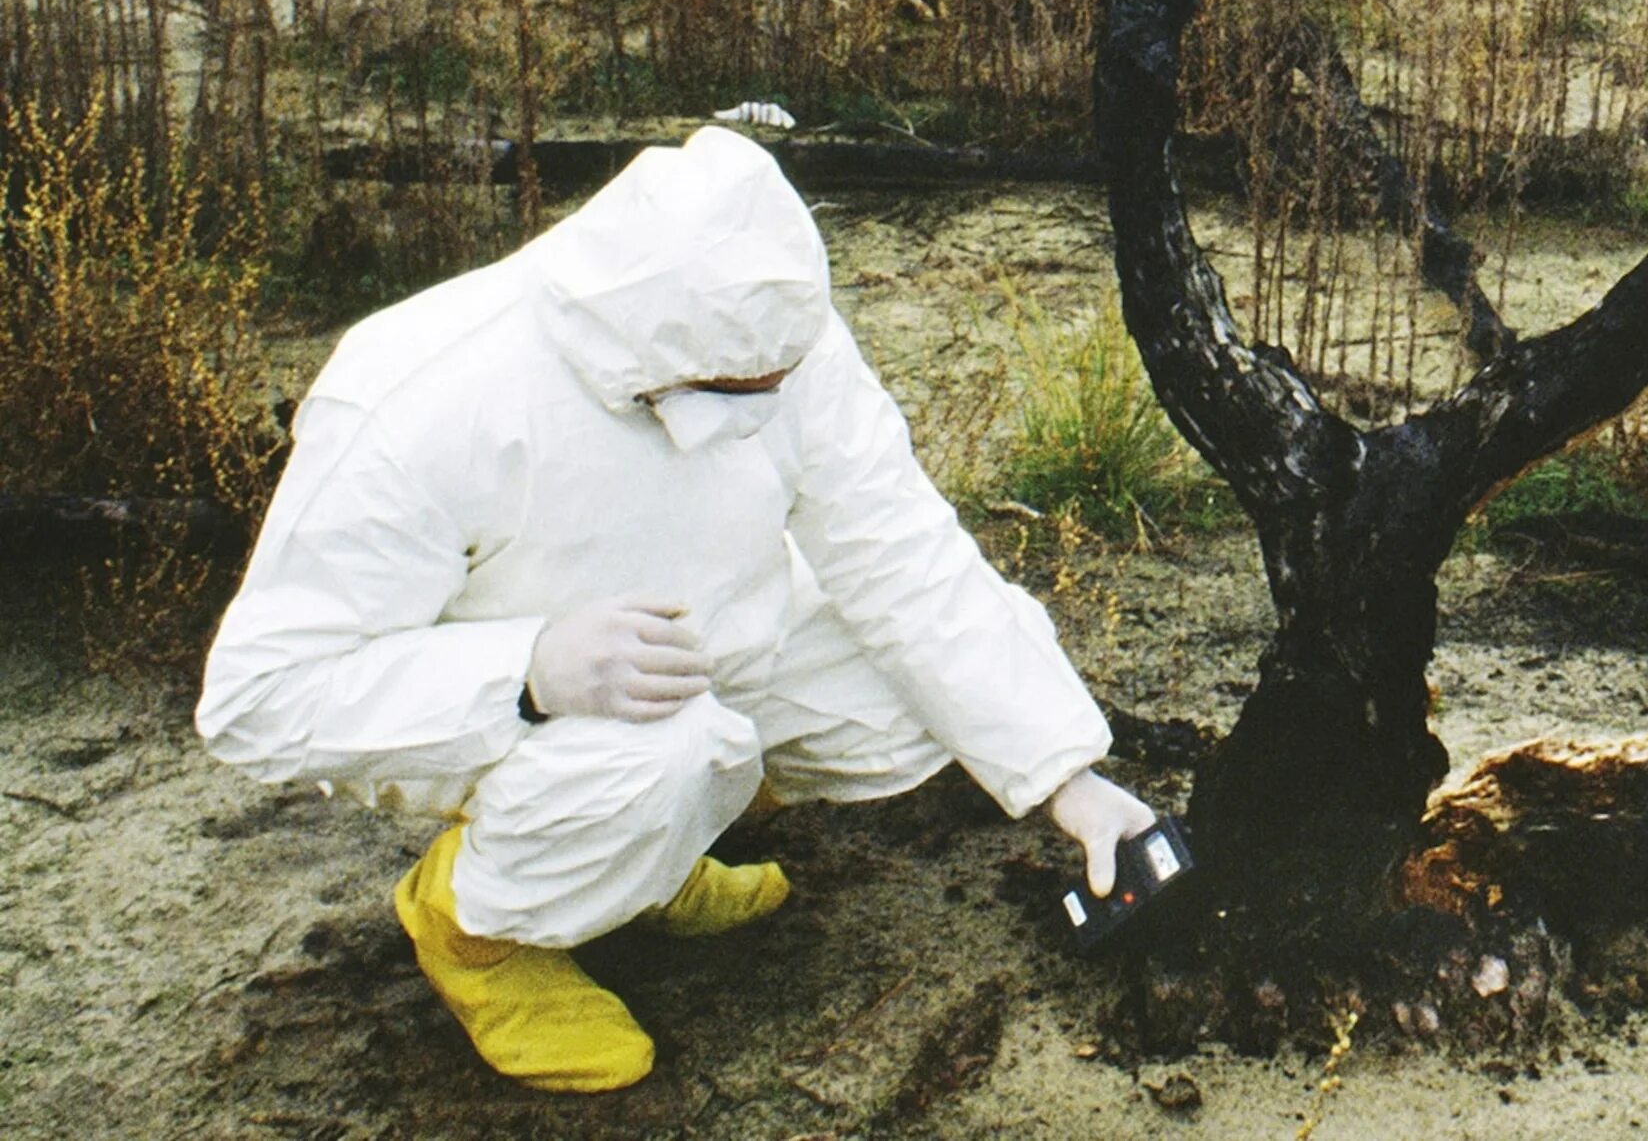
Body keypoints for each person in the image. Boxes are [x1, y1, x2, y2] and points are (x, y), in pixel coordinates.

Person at [196, 126, 1157, 1094]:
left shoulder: (774, 329)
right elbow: (262, 702)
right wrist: (525, 673)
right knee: (657, 756)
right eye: (726, 394)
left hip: (698, 638)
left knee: (913, 680)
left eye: (773, 387)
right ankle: (476, 931)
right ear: (648, 355)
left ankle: (647, 859)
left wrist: (1060, 776)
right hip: (512, 703)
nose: (759, 409)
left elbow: (898, 550)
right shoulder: (419, 398)